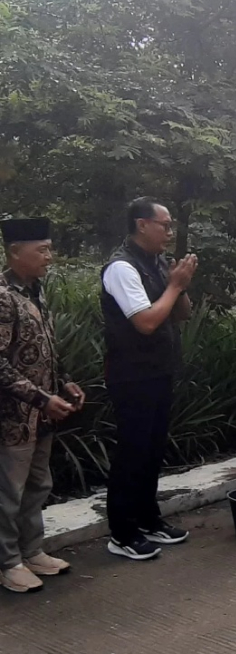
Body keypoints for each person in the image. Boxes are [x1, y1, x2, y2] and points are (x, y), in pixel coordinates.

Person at [101, 198, 198, 561]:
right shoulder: (121, 268)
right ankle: (122, 532)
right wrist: (173, 286)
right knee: (132, 452)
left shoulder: (157, 263)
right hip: (132, 375)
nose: (169, 233)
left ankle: (147, 518)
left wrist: (180, 286)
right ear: (142, 225)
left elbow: (180, 315)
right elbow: (145, 322)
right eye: (164, 225)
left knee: (153, 450)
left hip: (159, 370)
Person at [0, 218, 84, 593]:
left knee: (37, 484)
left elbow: (45, 346)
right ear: (15, 252)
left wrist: (63, 382)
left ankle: (31, 551)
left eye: (50, 249)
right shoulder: (3, 296)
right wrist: (40, 398)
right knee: (9, 493)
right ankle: (8, 563)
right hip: (13, 417)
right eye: (42, 250)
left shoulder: (36, 290)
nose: (50, 256)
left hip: (43, 413)